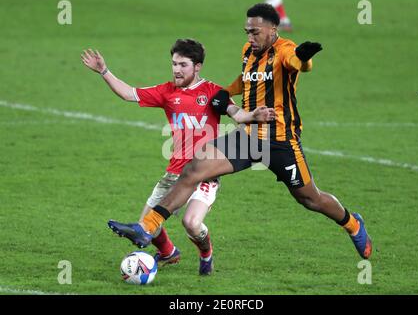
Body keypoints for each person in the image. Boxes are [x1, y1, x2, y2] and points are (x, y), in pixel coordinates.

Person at [108, 4, 372, 262]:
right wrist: (225, 92)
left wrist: (305, 59)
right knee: (193, 169)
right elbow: (246, 79)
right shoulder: (249, 51)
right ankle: (147, 226)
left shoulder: (285, 50)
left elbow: (296, 64)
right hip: (248, 137)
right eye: (247, 31)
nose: (249, 37)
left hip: (281, 141)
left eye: (255, 32)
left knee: (309, 198)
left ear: (273, 29)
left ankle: (352, 224)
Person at [81, 39, 276, 275]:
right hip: (174, 173)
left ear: (197, 67)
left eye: (183, 64)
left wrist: (254, 114)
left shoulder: (214, 93)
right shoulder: (166, 92)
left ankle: (206, 254)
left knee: (191, 223)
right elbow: (128, 94)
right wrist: (104, 71)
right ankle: (168, 253)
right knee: (146, 227)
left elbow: (238, 115)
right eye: (174, 64)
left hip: (205, 173)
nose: (176, 69)